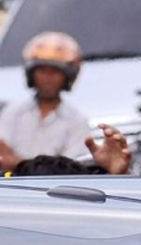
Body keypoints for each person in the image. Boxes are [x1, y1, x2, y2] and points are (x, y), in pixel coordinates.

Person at [0, 32, 91, 171]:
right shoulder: (13, 112)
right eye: (42, 70)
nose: (48, 78)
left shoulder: (77, 121)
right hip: (14, 188)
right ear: (31, 74)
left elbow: (70, 169)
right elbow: (3, 156)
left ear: (68, 76)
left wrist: (18, 164)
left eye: (55, 71)